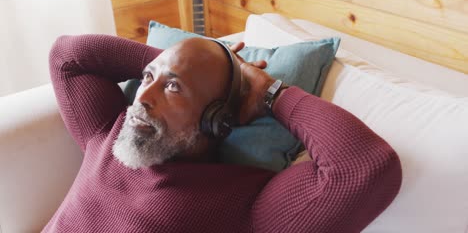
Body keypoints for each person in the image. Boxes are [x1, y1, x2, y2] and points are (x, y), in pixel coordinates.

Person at [45, 34, 402, 233]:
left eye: (172, 88)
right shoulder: (108, 134)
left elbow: (365, 166)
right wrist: (194, 62)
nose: (143, 97)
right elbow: (69, 55)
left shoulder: (244, 204)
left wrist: (268, 93)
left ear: (216, 118)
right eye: (148, 77)